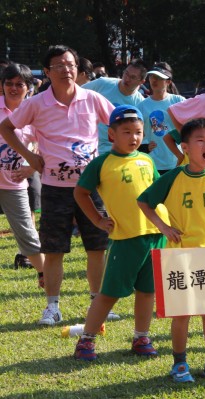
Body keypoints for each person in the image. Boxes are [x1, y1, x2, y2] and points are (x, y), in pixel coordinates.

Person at [0, 45, 115, 325]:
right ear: (48, 72)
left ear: (78, 68)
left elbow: (121, 123)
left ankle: (97, 302)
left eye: (71, 64)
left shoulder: (93, 99)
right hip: (54, 187)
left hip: (89, 188)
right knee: (53, 250)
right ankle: (52, 307)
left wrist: (113, 158)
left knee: (97, 248)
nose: (67, 70)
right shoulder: (36, 103)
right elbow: (7, 128)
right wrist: (30, 156)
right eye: (60, 65)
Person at [138, 118, 205, 382]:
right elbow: (144, 202)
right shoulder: (173, 177)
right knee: (183, 313)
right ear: (185, 147)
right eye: (200, 141)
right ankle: (180, 364)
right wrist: (164, 227)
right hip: (180, 255)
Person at [72, 105, 167, 360]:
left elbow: (156, 193)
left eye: (138, 132)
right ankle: (87, 340)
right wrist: (97, 220)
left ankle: (141, 338)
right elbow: (80, 193)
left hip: (155, 235)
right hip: (125, 239)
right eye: (126, 132)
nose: (134, 138)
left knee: (148, 291)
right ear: (112, 134)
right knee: (109, 293)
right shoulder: (102, 164)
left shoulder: (147, 159)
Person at [0, 63, 45, 287]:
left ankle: (45, 273)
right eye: (9, 83)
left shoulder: (34, 113)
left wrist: (31, 168)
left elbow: (46, 146)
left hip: (14, 183)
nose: (13, 88)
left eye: (19, 84)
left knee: (27, 233)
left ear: (29, 87)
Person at [83, 59, 147, 154]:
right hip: (90, 147)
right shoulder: (103, 84)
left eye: (133, 77)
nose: (127, 79)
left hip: (118, 153)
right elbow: (77, 94)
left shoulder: (141, 104)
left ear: (141, 82)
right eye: (126, 73)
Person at [138, 63, 185, 174]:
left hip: (179, 160)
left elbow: (191, 127)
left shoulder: (179, 101)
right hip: (154, 164)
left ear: (168, 81)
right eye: (152, 77)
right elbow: (136, 132)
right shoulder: (141, 106)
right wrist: (143, 147)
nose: (154, 80)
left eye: (159, 78)